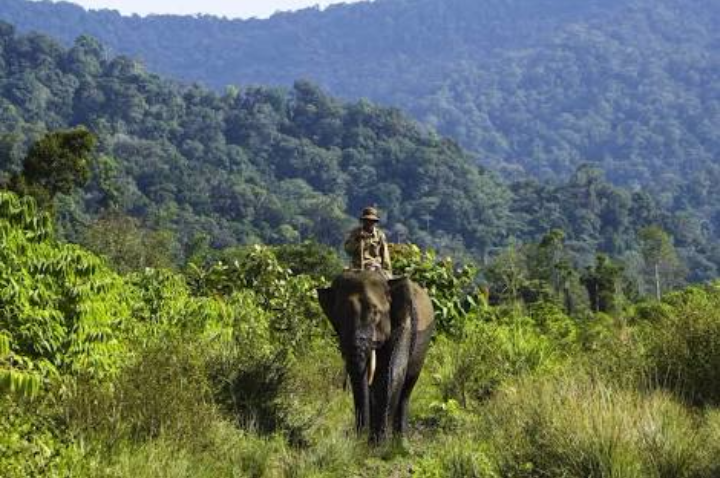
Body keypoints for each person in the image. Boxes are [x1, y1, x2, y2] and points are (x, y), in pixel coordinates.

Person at [344, 206, 392, 277]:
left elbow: (385, 255)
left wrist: (387, 270)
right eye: (367, 220)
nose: (369, 223)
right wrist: (356, 240)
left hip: (374, 266)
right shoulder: (355, 233)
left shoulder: (380, 235)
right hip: (356, 267)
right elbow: (348, 250)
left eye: (372, 221)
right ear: (363, 221)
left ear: (375, 222)